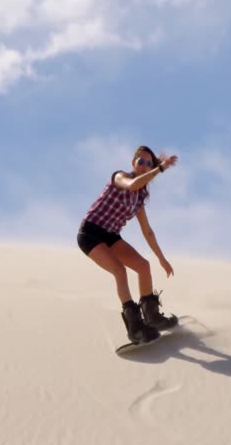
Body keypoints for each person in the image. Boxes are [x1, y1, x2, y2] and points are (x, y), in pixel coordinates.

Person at [77, 145, 180, 345]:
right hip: (90, 233)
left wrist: (162, 259)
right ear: (133, 163)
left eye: (148, 163)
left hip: (110, 236)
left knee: (143, 266)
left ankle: (152, 317)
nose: (143, 165)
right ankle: (135, 328)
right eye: (140, 161)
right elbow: (132, 184)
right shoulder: (120, 177)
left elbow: (147, 232)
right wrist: (159, 169)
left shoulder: (139, 200)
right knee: (119, 270)